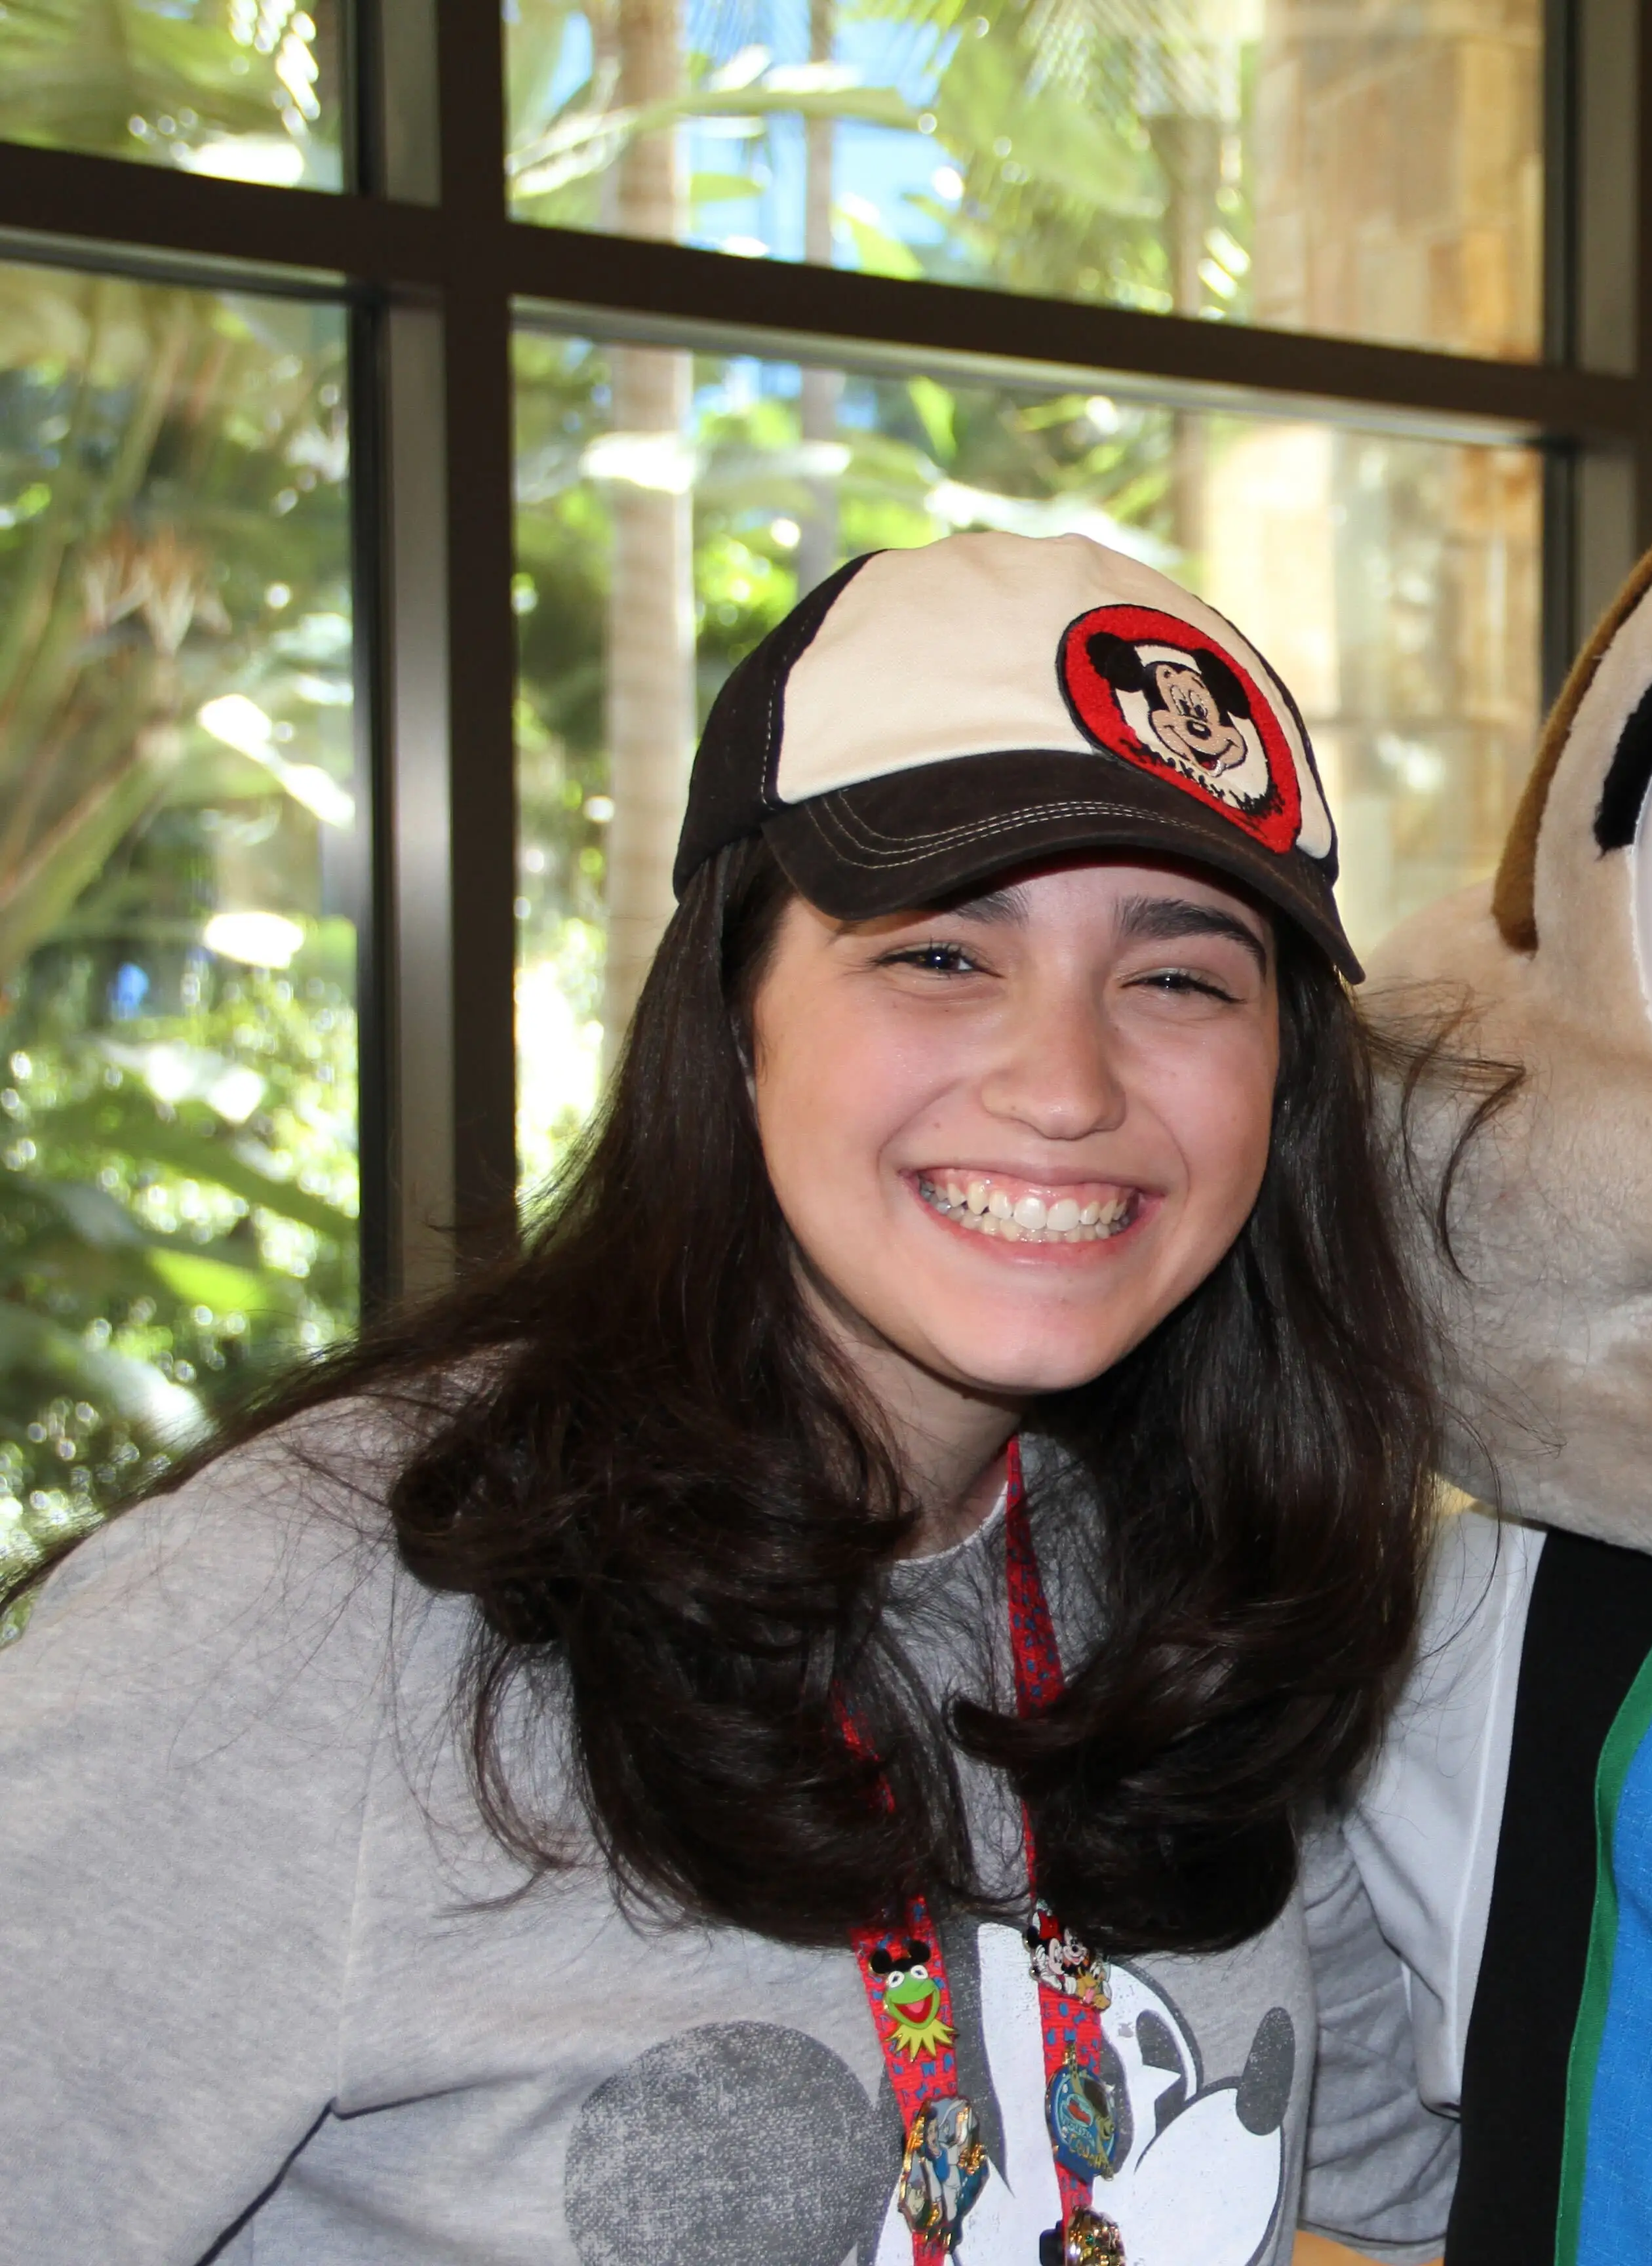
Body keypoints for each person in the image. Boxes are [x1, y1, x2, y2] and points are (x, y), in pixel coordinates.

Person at [0, 532, 1458, 2265]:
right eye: (940, 957)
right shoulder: (307, 1627)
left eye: (1178, 978)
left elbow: (1449, 2171)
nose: (1066, 1087)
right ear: (737, 1008)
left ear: (1280, 1077)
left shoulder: (1190, 1606)